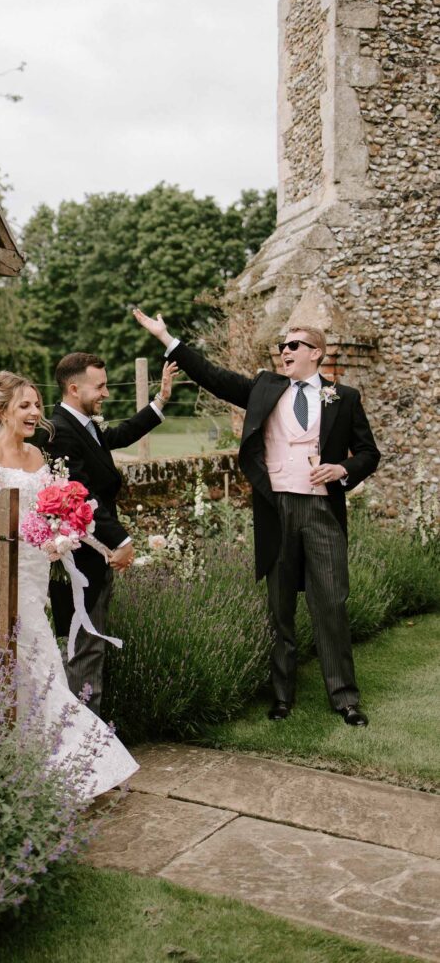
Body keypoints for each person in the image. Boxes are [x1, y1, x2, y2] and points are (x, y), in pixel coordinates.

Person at [133, 308, 380, 727]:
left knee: (331, 604)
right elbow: (213, 375)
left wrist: (343, 470)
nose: (285, 350)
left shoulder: (344, 397)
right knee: (279, 606)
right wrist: (166, 338)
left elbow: (370, 453)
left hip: (323, 511)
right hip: (277, 508)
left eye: (294, 345)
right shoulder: (266, 388)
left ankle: (344, 698)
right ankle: (282, 697)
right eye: (282, 345)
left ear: (317, 353)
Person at [0, 370, 139, 797]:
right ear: (1, 410)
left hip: (36, 576)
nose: (35, 413)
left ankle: (36, 763)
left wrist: (88, 540)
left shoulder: (39, 458)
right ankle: (66, 766)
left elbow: (65, 510)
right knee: (35, 665)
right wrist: (51, 536)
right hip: (6, 575)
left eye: (37, 404)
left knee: (35, 664)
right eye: (24, 405)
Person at [47, 353, 178, 717]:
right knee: (85, 649)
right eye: (99, 386)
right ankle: (86, 750)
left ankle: (89, 741)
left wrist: (160, 401)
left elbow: (117, 436)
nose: (105, 392)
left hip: (94, 555)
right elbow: (81, 493)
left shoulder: (84, 424)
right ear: (74, 389)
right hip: (80, 558)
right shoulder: (61, 432)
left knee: (91, 645)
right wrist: (121, 541)